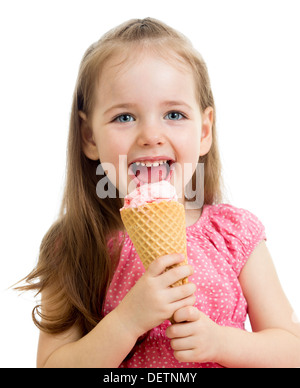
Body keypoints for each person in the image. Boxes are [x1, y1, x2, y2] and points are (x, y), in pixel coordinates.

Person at [18, 17, 300, 368]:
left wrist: (221, 343)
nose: (151, 134)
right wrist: (127, 321)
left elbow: (292, 349)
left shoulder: (234, 235)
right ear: (89, 136)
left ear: (204, 131)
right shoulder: (75, 243)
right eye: (124, 117)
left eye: (174, 114)